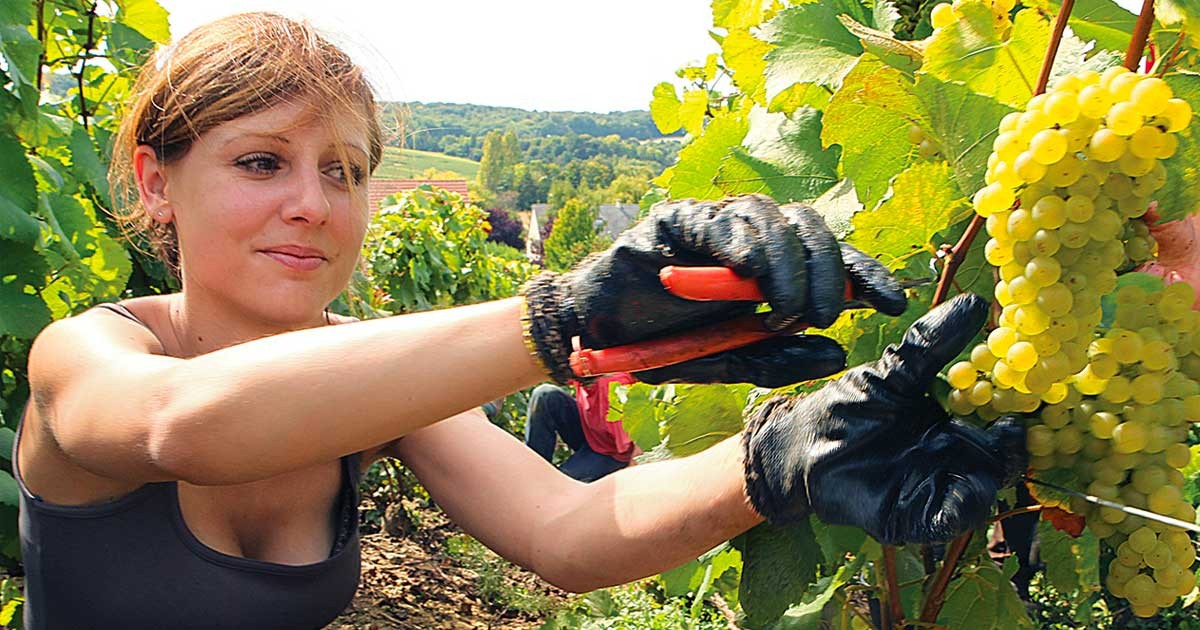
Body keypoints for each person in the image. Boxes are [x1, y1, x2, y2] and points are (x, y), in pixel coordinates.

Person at [15, 12, 1025, 630]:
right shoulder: (96, 354)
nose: (314, 205)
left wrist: (779, 459)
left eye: (345, 170)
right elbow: (180, 426)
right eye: (261, 162)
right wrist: (559, 316)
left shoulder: (367, 383)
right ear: (157, 181)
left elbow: (567, 531)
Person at [524, 373, 639, 482]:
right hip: (590, 431)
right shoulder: (584, 371)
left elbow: (639, 447)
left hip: (611, 454)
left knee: (560, 483)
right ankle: (533, 472)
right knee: (545, 394)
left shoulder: (612, 390)